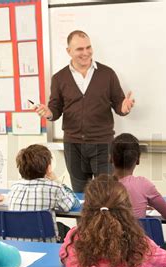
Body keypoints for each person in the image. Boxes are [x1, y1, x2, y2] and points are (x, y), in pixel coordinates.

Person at [35, 30, 135, 193]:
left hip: (103, 145)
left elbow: (119, 104)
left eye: (88, 47)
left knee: (106, 194)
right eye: (80, 49)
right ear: (69, 51)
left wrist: (124, 108)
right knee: (80, 196)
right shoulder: (59, 78)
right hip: (73, 146)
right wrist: (49, 113)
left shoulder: (107, 74)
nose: (86, 53)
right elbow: (55, 109)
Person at [8, 144, 81, 242]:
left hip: (16, 242)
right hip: (45, 242)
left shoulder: (14, 187)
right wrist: (57, 180)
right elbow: (74, 204)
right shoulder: (54, 187)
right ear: (48, 168)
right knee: (68, 231)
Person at [112, 133, 166, 219]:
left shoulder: (99, 187)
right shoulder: (143, 185)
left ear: (110, 158)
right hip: (135, 232)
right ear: (138, 160)